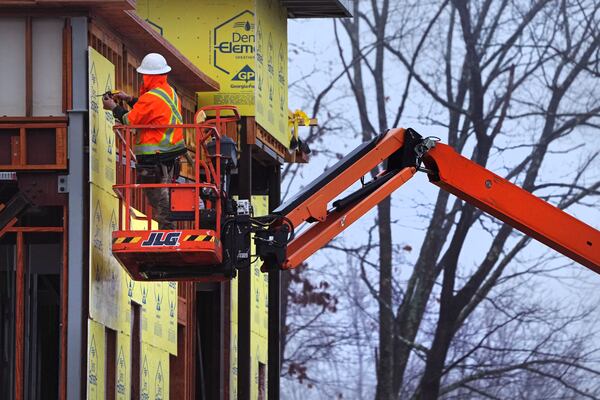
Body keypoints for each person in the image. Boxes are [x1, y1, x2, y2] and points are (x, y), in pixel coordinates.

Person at [103, 53, 186, 230]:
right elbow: (148, 111)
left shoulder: (151, 98)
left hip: (156, 154)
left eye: (144, 75)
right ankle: (168, 225)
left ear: (150, 76)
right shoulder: (169, 92)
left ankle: (167, 228)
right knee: (162, 190)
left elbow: (130, 120)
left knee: (157, 193)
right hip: (170, 151)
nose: (142, 78)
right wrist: (129, 99)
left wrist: (113, 107)